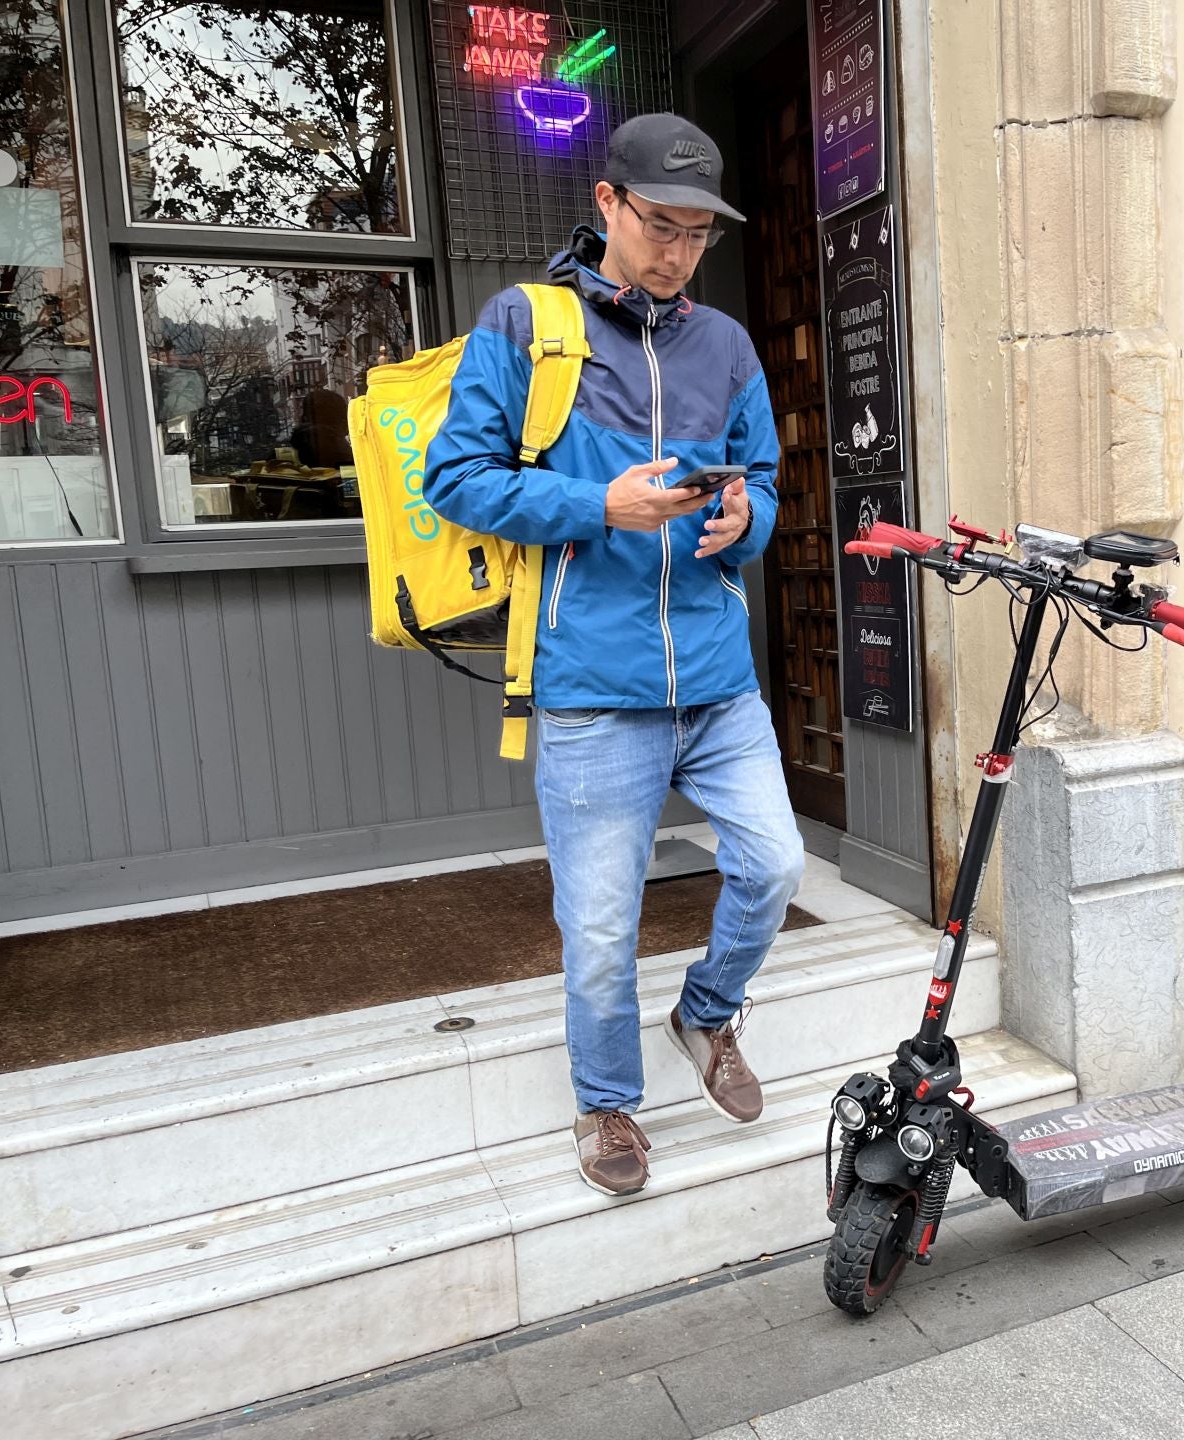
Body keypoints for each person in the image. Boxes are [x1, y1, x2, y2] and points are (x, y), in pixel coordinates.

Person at [426, 113, 804, 1198]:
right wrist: (599, 503)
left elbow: (766, 476)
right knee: (599, 927)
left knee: (775, 865)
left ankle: (706, 1014)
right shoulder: (524, 322)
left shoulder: (725, 346)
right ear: (606, 204)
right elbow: (455, 479)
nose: (678, 250)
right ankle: (608, 1102)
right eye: (659, 223)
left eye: (698, 233)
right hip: (593, 685)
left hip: (717, 678)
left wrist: (750, 519)